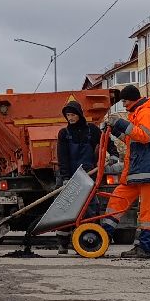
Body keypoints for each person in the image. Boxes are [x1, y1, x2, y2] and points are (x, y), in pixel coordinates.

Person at [102, 85, 150, 260]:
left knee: (147, 211)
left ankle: (144, 248)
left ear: (132, 99)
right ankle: (102, 236)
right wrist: (116, 130)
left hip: (149, 170)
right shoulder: (138, 113)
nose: (123, 105)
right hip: (138, 171)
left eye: (124, 101)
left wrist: (120, 123)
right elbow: (133, 140)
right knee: (117, 199)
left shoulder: (146, 112)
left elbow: (144, 136)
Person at [54, 100, 100, 254]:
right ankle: (63, 243)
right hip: (70, 176)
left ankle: (89, 239)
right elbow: (62, 157)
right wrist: (65, 177)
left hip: (87, 175)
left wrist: (113, 155)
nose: (70, 118)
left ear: (79, 114)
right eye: (68, 115)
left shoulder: (92, 131)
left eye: (73, 114)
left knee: (90, 208)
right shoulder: (64, 134)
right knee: (65, 209)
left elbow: (106, 142)